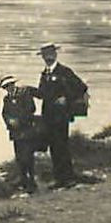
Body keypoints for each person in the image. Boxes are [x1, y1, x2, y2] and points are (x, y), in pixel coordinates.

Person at [36, 42, 88, 188]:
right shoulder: (45, 74)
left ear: (56, 55)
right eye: (46, 55)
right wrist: (26, 91)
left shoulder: (64, 71)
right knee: (54, 147)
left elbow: (82, 87)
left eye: (51, 54)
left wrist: (66, 97)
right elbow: (42, 94)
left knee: (61, 146)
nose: (48, 57)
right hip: (48, 116)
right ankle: (60, 178)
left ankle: (67, 178)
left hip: (61, 116)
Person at [0, 75, 43, 193]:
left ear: (14, 84)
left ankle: (32, 181)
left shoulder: (25, 94)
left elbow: (31, 109)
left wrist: (19, 120)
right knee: (19, 156)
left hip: (27, 129)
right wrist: (9, 121)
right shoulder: (6, 99)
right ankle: (23, 179)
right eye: (6, 87)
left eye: (10, 85)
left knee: (28, 156)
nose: (8, 89)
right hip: (15, 131)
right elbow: (4, 113)